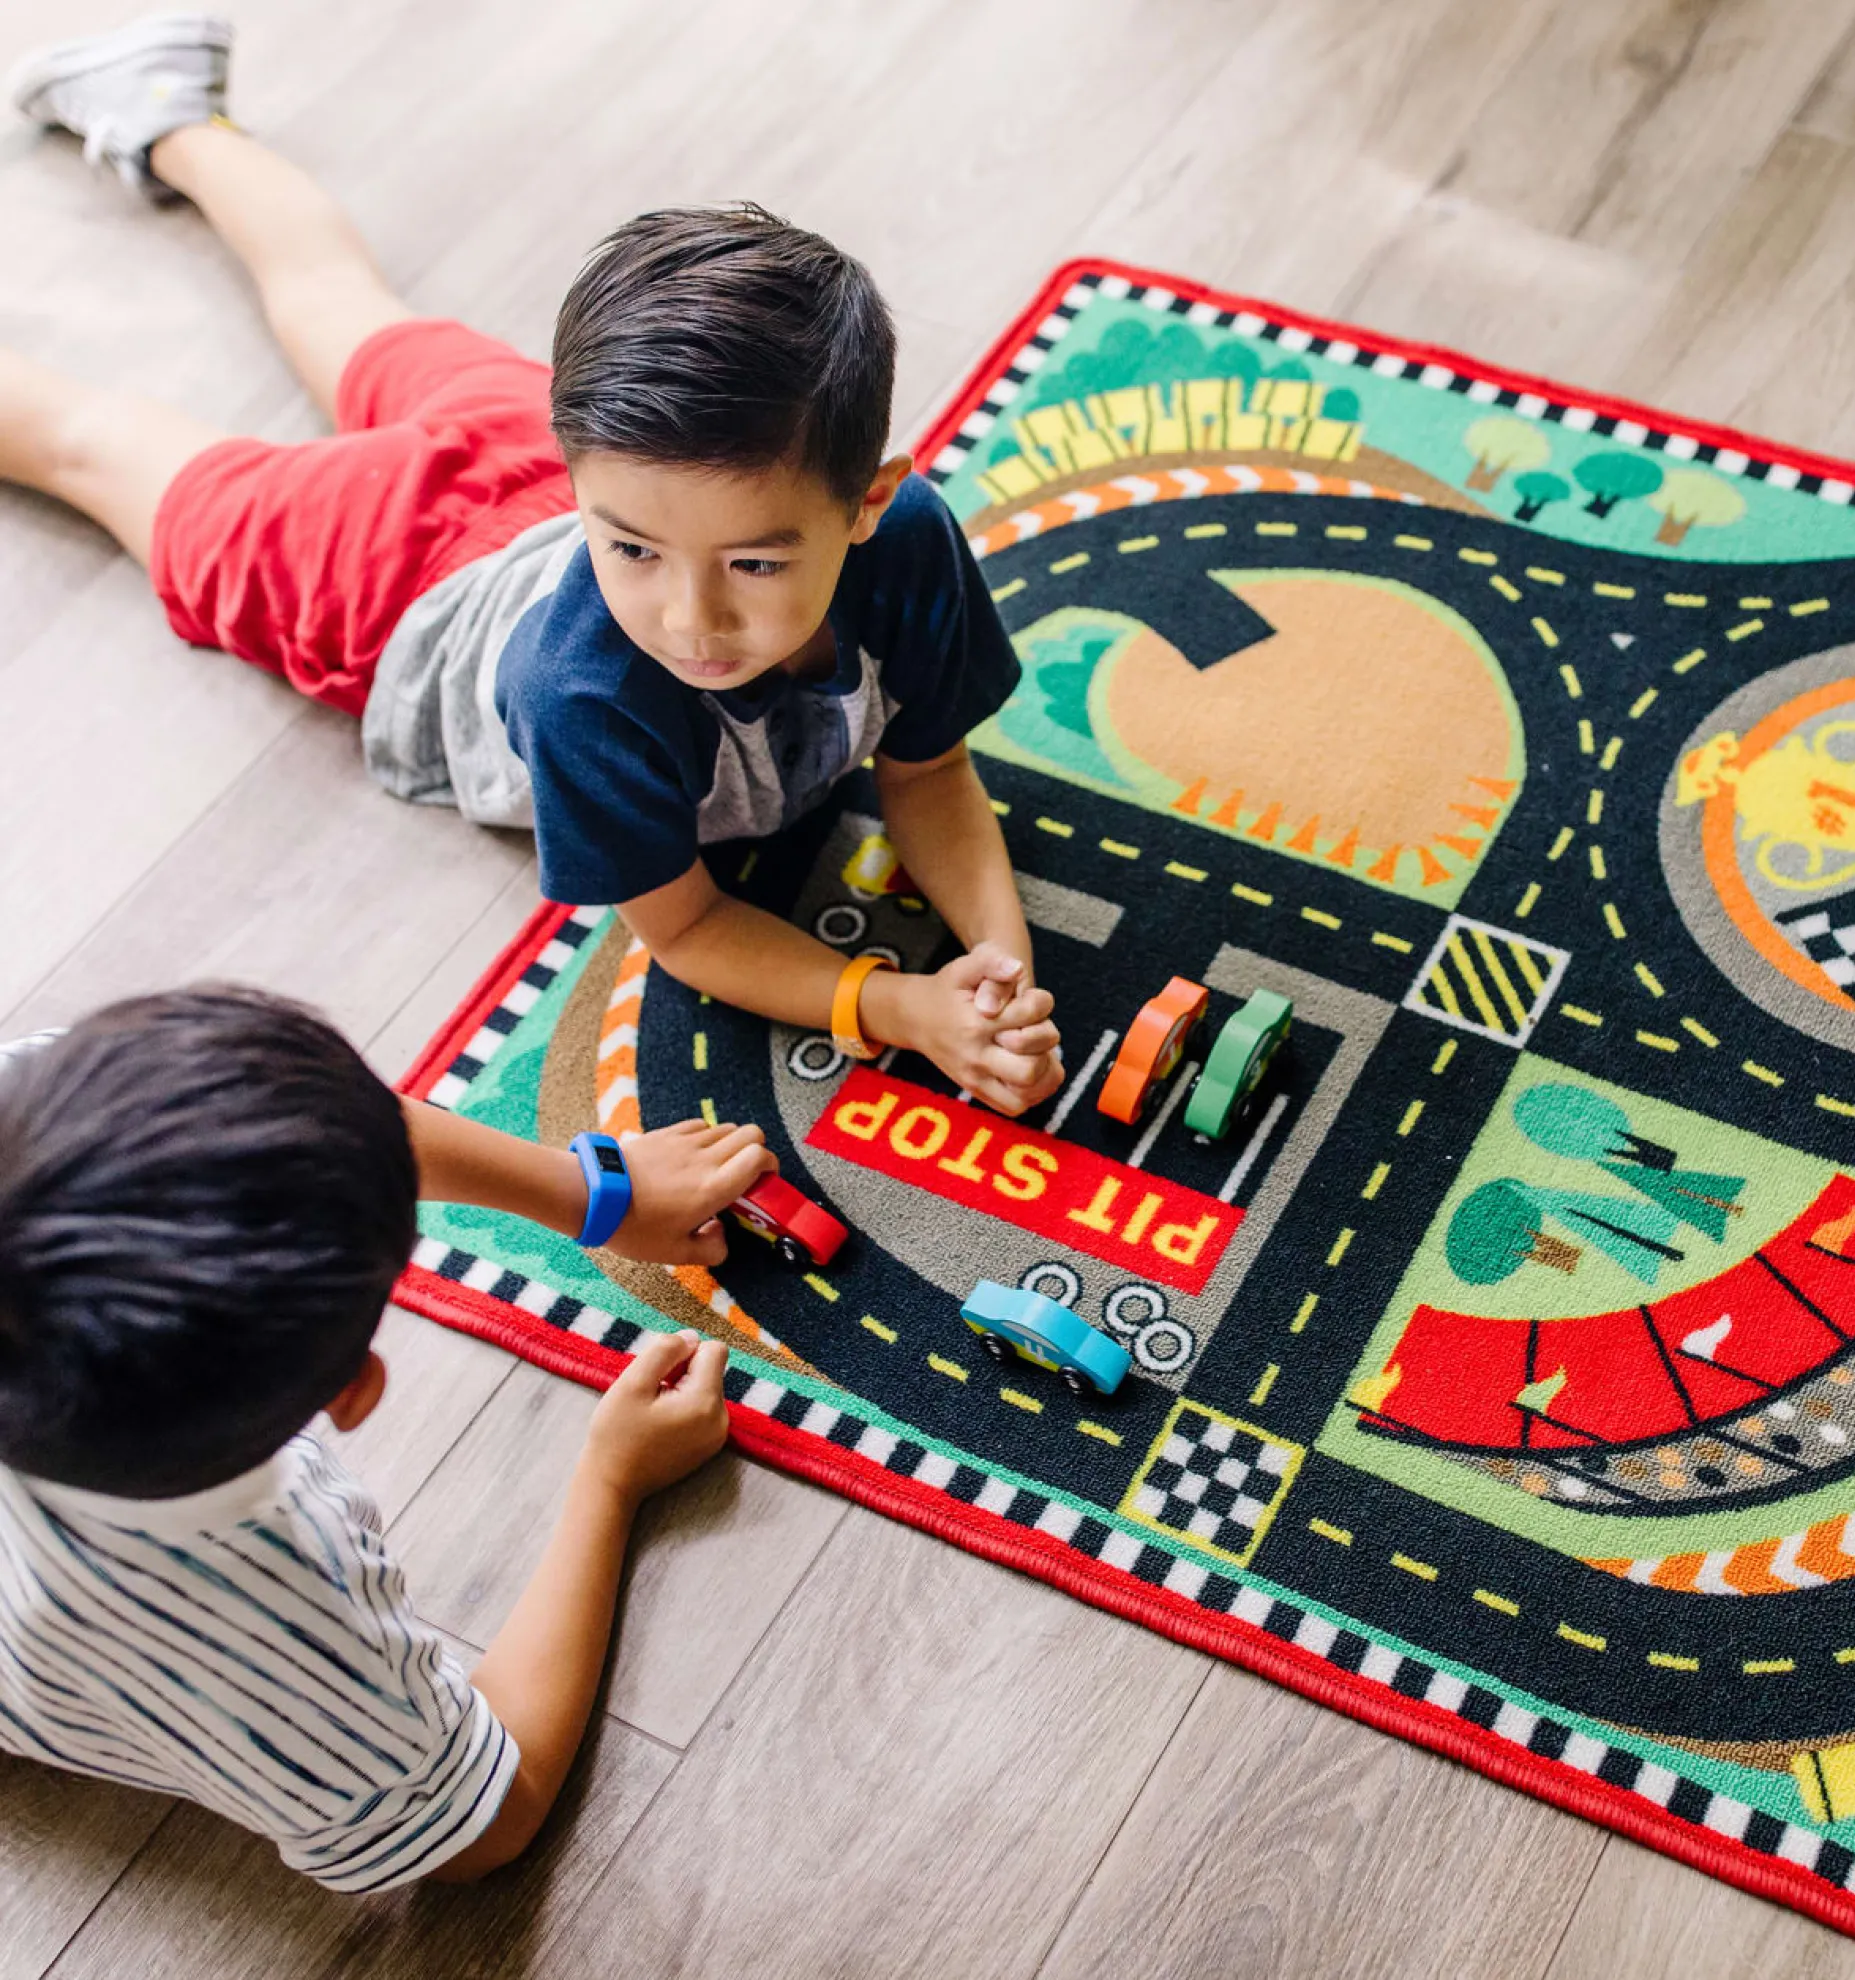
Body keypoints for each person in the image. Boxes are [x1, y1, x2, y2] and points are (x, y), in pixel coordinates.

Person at [3, 14, 1064, 1118]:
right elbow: (689, 927)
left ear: (869, 504)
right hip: (398, 579)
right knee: (94, 443)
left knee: (344, 308)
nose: (689, 620)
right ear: (586, 469)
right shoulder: (582, 693)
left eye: (752, 564)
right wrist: (902, 1008)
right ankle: (170, 121)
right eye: (635, 556)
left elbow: (931, 774)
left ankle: (163, 110)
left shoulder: (900, 540)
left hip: (540, 469)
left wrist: (1000, 972)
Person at [0, 985, 772, 1886]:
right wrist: (609, 1481)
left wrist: (593, 1190)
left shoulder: (41, 1130)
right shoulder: (250, 1601)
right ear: (356, 1390)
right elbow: (486, 1822)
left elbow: (303, 1127)